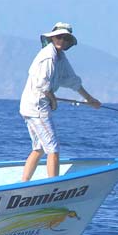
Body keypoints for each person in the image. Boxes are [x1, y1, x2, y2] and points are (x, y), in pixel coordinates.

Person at [19, 22, 101, 182]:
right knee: (53, 149)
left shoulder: (60, 58)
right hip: (37, 107)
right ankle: (53, 185)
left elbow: (73, 81)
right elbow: (42, 85)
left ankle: (24, 182)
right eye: (59, 37)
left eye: (66, 38)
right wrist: (53, 101)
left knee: (39, 148)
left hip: (32, 105)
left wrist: (90, 99)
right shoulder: (48, 57)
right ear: (52, 37)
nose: (62, 41)